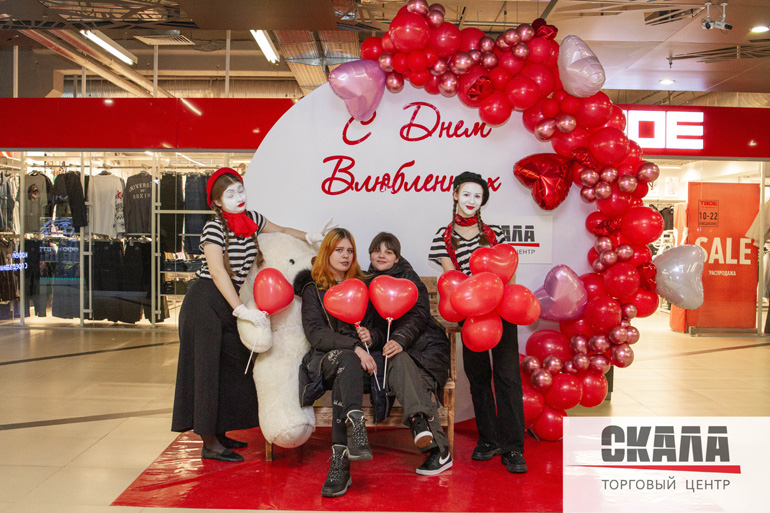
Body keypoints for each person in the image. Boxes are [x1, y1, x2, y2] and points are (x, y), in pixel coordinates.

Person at [171, 167, 334, 463]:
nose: (238, 197)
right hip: (205, 300)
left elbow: (282, 230)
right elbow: (218, 272)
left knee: (232, 366)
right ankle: (209, 442)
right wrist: (240, 309)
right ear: (217, 201)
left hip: (228, 300)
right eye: (230, 194)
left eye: (240, 190)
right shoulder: (213, 227)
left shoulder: (252, 220)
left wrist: (310, 236)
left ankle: (221, 431)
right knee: (206, 370)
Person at [428, 171, 528, 474]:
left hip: (501, 313)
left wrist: (499, 302)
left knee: (508, 377)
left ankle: (513, 447)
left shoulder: (495, 234)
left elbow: (509, 274)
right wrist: (476, 300)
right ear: (455, 195)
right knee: (479, 377)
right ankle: (488, 440)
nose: (472, 200)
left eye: (478, 196)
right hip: (471, 316)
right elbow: (453, 280)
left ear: (483, 201)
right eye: (467, 194)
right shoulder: (443, 237)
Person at [295, 228, 380, 498]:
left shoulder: (363, 286)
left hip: (356, 365)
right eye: (339, 250)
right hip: (325, 360)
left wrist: (369, 336)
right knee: (346, 358)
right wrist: (354, 346)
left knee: (348, 365)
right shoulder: (313, 288)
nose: (345, 256)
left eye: (350, 250)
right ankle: (356, 426)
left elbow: (377, 328)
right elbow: (315, 334)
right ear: (327, 253)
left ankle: (340, 463)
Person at [367, 232, 453, 476]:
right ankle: (428, 435)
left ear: (397, 258)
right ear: (370, 254)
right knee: (398, 361)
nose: (382, 255)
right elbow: (380, 328)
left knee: (404, 368)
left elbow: (419, 315)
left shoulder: (409, 278)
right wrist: (372, 337)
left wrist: (399, 340)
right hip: (399, 355)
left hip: (426, 350)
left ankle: (433, 442)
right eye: (377, 250)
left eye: (389, 252)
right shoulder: (368, 282)